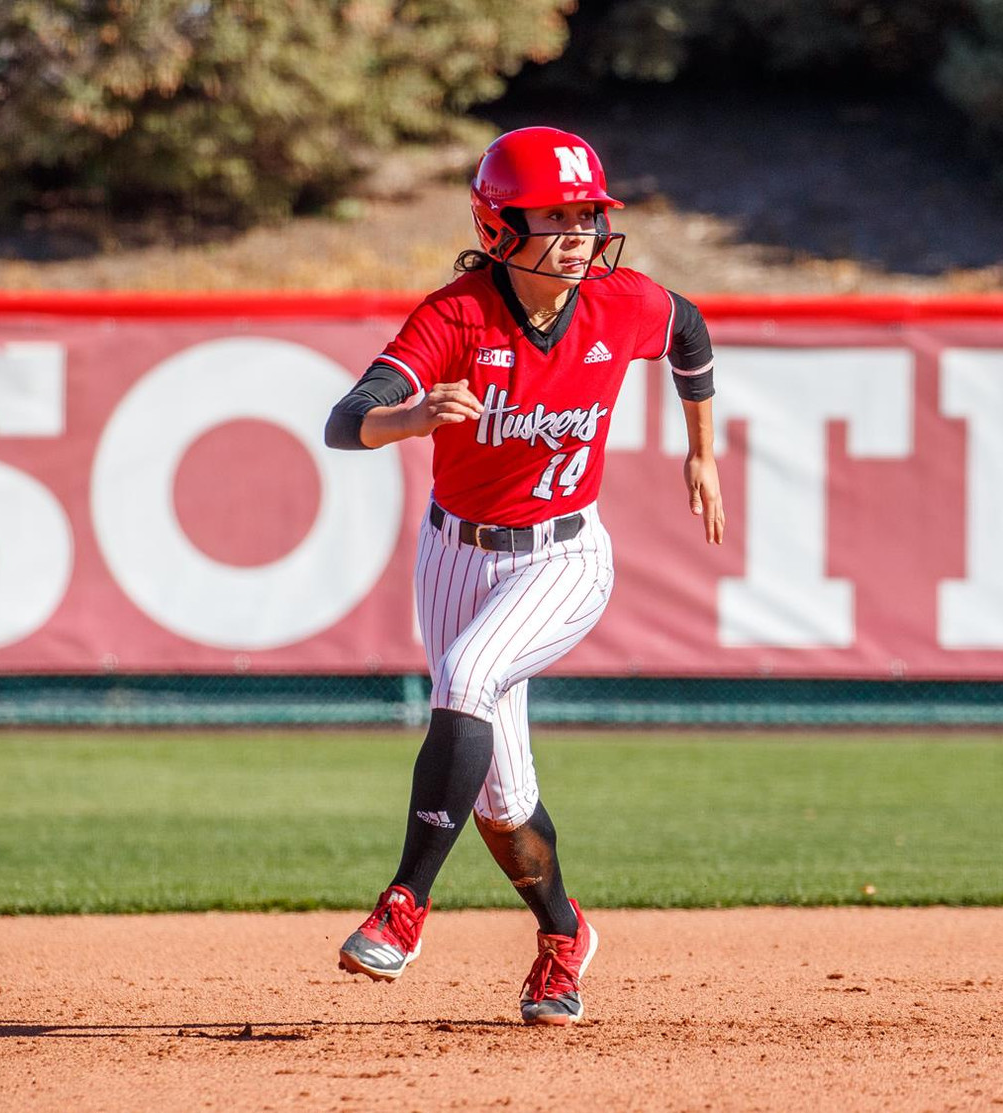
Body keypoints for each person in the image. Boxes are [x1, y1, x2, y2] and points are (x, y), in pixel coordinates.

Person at [322, 126, 725, 1026]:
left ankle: (404, 904)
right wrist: (411, 416)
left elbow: (689, 331)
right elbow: (345, 421)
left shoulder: (619, 302)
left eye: (590, 213)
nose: (581, 231)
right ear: (500, 223)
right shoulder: (458, 314)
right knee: (502, 799)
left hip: (566, 553)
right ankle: (562, 935)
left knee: (464, 678)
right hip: (454, 554)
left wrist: (704, 452)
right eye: (559, 214)